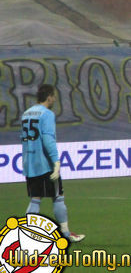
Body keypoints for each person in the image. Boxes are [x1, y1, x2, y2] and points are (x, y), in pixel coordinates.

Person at [20, 84, 85, 242]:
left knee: (35, 199)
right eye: (54, 96)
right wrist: (56, 161)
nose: (54, 99)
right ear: (49, 96)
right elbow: (48, 139)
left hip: (30, 163)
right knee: (58, 197)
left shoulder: (26, 114)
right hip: (45, 164)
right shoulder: (47, 114)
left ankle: (26, 237)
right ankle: (66, 233)